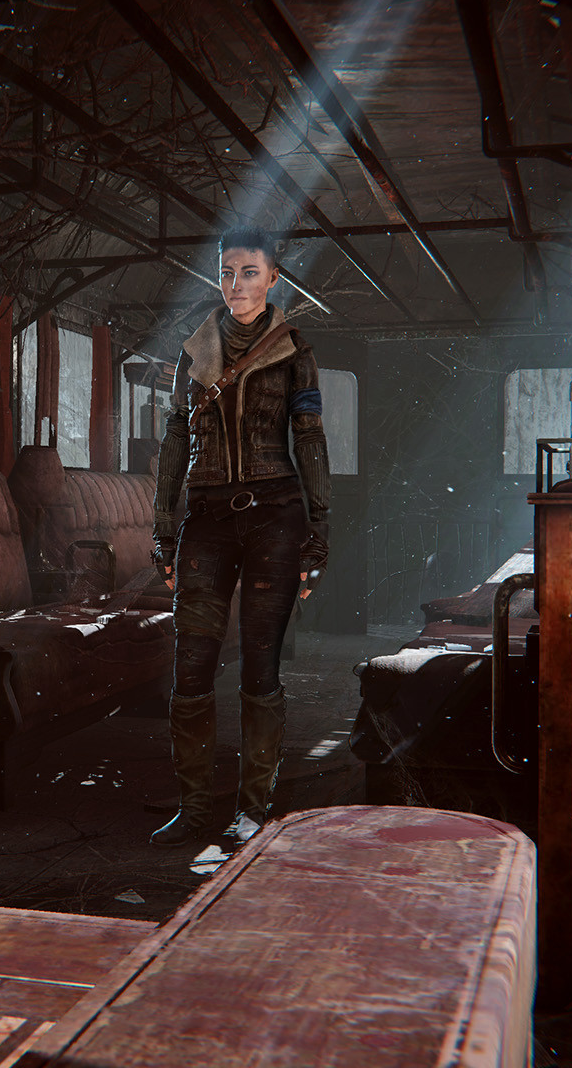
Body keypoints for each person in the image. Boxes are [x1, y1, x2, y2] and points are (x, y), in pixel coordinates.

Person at [149, 226, 332, 846]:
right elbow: (176, 438)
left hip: (275, 517)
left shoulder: (294, 350)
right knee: (191, 667)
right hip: (205, 518)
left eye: (249, 272)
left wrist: (319, 526)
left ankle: (252, 809)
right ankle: (194, 809)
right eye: (227, 273)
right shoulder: (194, 350)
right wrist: (163, 525)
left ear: (273, 278)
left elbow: (309, 439)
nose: (236, 285)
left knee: (260, 666)